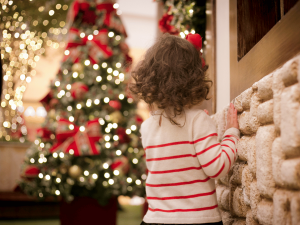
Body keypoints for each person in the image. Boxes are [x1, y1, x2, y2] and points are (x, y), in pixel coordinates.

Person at [129, 33, 239, 225]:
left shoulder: (147, 126)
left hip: (156, 219)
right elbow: (217, 167)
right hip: (196, 219)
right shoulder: (198, 120)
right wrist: (231, 134)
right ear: (193, 78)